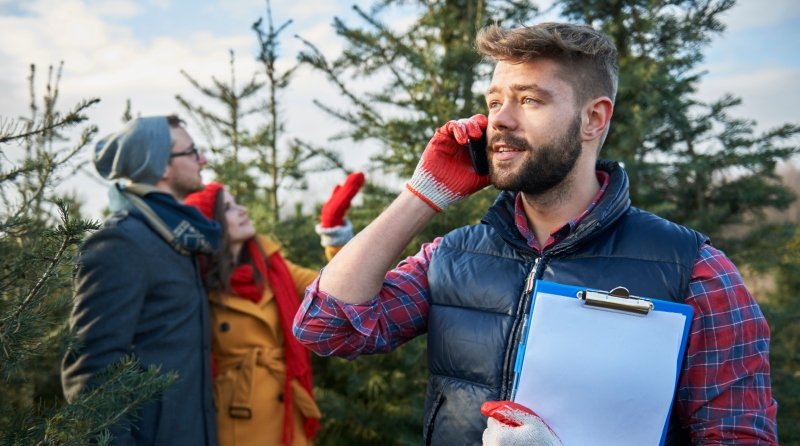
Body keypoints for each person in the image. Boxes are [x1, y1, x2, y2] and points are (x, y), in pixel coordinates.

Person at [293, 22, 778, 445]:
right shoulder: (454, 255)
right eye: (495, 101)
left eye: (529, 100)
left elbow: (738, 435)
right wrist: (424, 192)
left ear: (594, 119)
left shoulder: (693, 269)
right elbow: (325, 326)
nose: (500, 119)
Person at [61, 115, 221, 445]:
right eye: (191, 152)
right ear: (162, 166)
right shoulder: (121, 243)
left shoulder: (179, 237)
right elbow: (91, 371)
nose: (202, 159)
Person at [184, 172, 364, 446]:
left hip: (287, 414)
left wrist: (334, 233)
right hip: (234, 419)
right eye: (229, 208)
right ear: (211, 222)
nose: (243, 210)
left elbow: (334, 289)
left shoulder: (273, 268)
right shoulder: (194, 281)